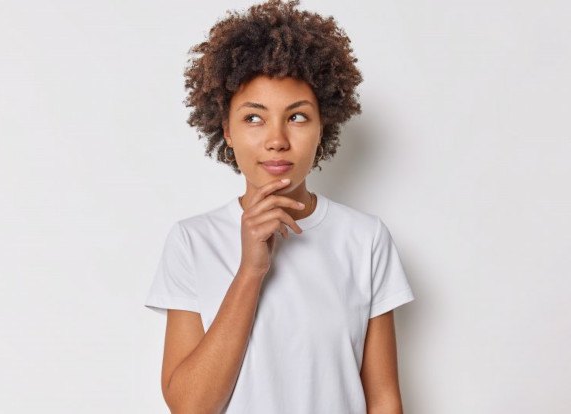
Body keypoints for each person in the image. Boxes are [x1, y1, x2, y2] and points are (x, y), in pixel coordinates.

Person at [144, 0, 415, 412]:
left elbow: (383, 399)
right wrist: (251, 270)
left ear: (323, 126)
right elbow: (189, 407)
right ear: (227, 131)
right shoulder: (192, 241)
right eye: (254, 118)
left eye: (297, 117)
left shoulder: (365, 239)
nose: (276, 139)